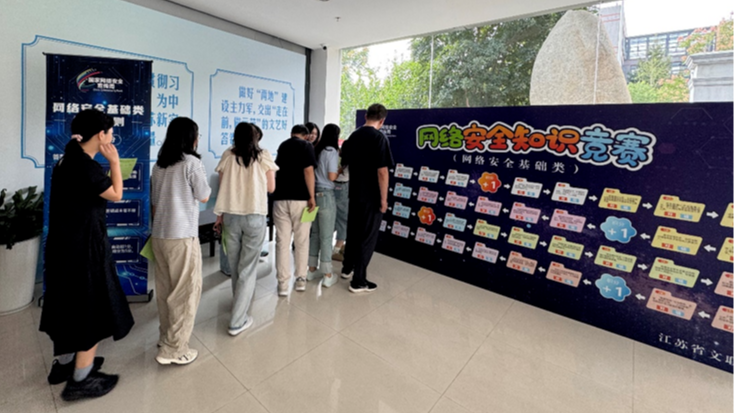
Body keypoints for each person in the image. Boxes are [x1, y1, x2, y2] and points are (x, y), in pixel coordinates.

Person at [40, 109, 133, 401]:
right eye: (110, 132)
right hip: (84, 250)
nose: (113, 137)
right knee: (90, 309)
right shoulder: (86, 166)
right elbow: (116, 193)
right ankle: (81, 378)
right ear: (100, 135)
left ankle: (65, 364)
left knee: (67, 305)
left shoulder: (66, 159)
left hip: (64, 248)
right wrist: (114, 162)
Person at [150, 117, 211, 366]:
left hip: (160, 235)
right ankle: (175, 349)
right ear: (191, 138)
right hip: (182, 236)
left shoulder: (159, 165)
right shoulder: (192, 163)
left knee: (165, 291)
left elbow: (155, 204)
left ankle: (166, 338)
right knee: (185, 293)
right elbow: (204, 196)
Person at [213, 123, 278, 336]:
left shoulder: (228, 155)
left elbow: (222, 187)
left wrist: (220, 216)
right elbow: (271, 187)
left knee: (236, 266)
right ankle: (237, 320)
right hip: (254, 215)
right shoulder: (263, 155)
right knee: (247, 268)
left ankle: (239, 305)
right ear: (255, 137)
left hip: (231, 216)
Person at [340, 104, 394, 293]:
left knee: (353, 233)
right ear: (382, 120)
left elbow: (344, 162)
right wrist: (384, 200)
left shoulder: (353, 136)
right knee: (367, 237)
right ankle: (358, 281)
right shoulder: (379, 138)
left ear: (365, 116)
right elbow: (382, 172)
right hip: (372, 197)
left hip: (354, 193)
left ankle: (347, 268)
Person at [272, 125, 317, 295]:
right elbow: (308, 171)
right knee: (302, 241)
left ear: (292, 134)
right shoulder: (307, 146)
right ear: (306, 136)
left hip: (280, 199)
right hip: (300, 200)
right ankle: (300, 280)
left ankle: (282, 283)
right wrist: (311, 196)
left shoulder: (283, 145)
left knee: (282, 242)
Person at [307, 124, 341, 287]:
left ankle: (311, 269)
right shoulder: (331, 151)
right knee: (326, 236)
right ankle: (327, 274)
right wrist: (339, 171)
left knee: (315, 233)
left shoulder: (317, 150)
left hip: (314, 195)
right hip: (327, 195)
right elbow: (332, 176)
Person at [332, 150, 349, 262]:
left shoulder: (334, 157)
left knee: (333, 218)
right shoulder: (348, 161)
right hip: (342, 187)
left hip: (333, 185)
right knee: (343, 219)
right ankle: (337, 249)